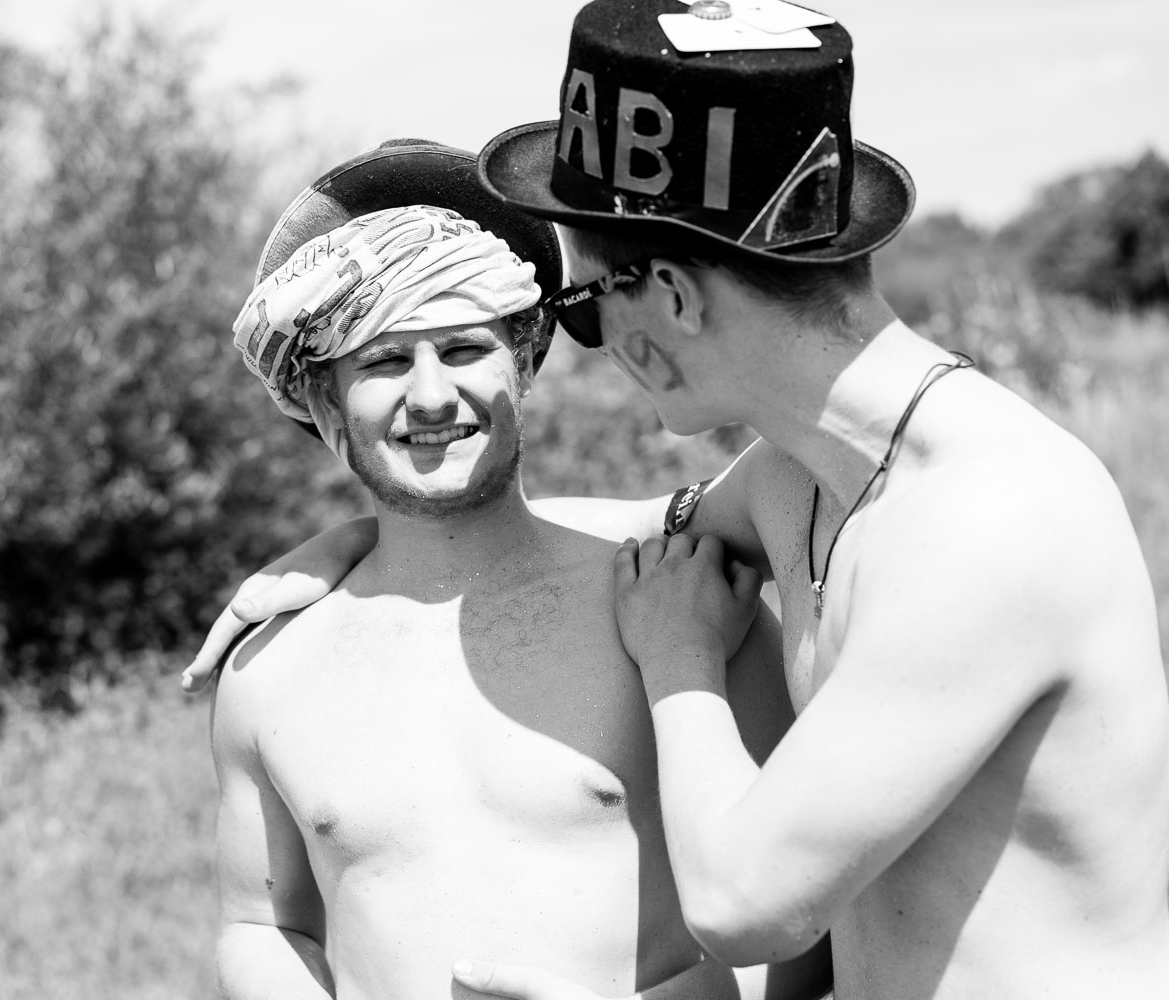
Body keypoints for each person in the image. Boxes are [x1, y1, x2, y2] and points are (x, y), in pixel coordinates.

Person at [194, 6, 1169, 1000]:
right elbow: (604, 530)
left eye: (581, 307)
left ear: (670, 296)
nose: (592, 342)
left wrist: (679, 657)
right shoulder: (803, 478)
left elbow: (747, 903)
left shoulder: (993, 523)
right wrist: (357, 545)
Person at [210, 141, 831, 1000]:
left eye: (464, 349)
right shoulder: (270, 669)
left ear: (527, 358)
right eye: (384, 361)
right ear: (323, 401)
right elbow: (261, 924)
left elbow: (807, 921)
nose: (432, 396)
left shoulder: (677, 607)